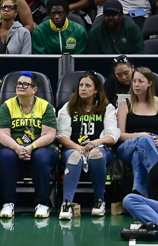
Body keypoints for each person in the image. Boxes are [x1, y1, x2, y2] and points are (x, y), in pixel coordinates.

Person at [0, 72, 59, 219]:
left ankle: (43, 204)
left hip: (41, 147)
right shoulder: (7, 105)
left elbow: (49, 135)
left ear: (34, 89)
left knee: (41, 156)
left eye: (25, 84)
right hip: (13, 147)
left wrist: (31, 147)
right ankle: (7, 203)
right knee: (6, 156)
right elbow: (1, 133)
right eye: (18, 83)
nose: (20, 86)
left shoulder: (45, 106)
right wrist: (17, 148)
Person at [58, 71, 118, 219]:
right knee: (75, 156)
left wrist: (97, 142)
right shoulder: (68, 107)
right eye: (81, 85)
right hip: (73, 147)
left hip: (100, 148)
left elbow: (112, 136)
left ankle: (99, 200)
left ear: (96, 90)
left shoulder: (106, 108)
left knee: (96, 154)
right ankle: (66, 203)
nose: (83, 89)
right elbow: (62, 136)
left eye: (88, 86)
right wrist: (78, 148)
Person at [118, 66, 158, 197]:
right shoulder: (125, 103)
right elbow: (120, 135)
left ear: (149, 83)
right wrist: (141, 136)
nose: (136, 85)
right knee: (144, 141)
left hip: (153, 144)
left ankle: (140, 196)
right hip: (128, 145)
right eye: (134, 81)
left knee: (138, 156)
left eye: (140, 81)